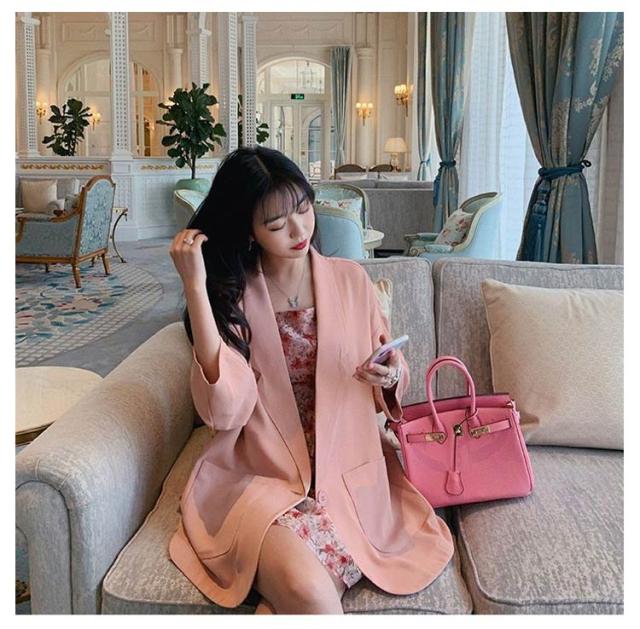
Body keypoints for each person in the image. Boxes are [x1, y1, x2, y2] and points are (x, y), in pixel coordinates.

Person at [168, 146, 453, 614]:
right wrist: (196, 289)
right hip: (262, 476)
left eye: (304, 209)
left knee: (302, 599)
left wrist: (388, 374)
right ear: (249, 229)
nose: (299, 230)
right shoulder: (233, 296)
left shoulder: (351, 280)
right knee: (313, 598)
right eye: (277, 224)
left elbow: (392, 371)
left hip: (349, 473)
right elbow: (223, 411)